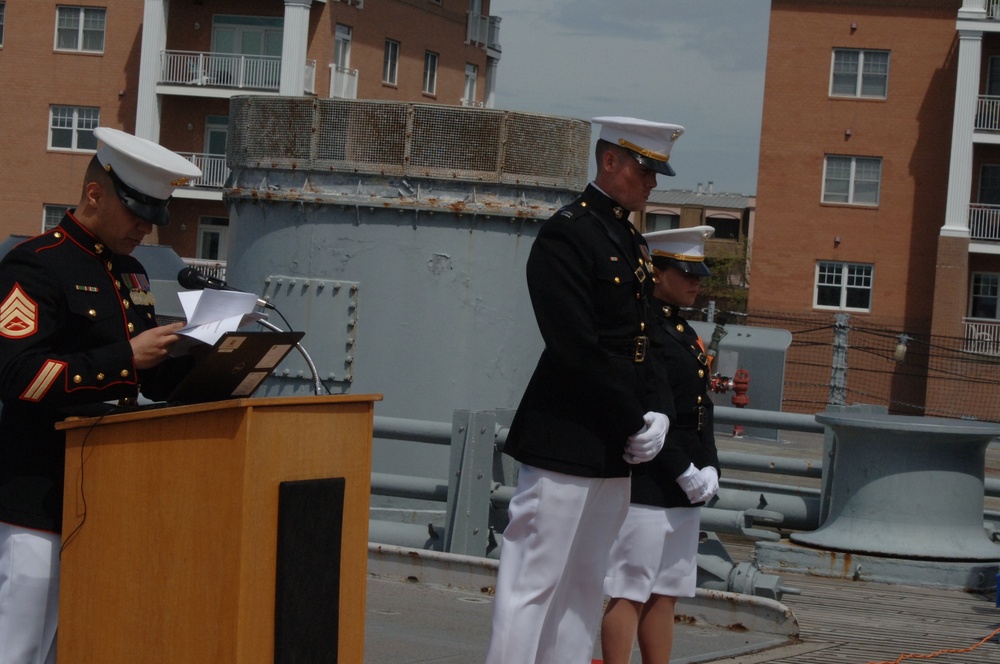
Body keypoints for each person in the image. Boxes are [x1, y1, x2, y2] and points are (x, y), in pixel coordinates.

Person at [485, 117, 685, 664]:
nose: (653, 183)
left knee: (585, 583)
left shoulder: (629, 240)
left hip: (614, 445)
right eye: (645, 169)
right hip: (568, 435)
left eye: (656, 172)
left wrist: (661, 414)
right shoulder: (567, 233)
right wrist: (633, 420)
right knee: (532, 581)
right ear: (610, 162)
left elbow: (648, 339)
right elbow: (575, 346)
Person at [0, 127, 202, 664]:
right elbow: (19, 375)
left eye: (155, 216)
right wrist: (125, 359)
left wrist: (205, 353)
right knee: (17, 648)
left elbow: (148, 381)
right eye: (137, 212)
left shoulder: (131, 273)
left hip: (108, 497)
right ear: (95, 195)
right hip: (37, 499)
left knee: (78, 644)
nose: (145, 227)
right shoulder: (36, 264)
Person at [600, 226, 722, 664]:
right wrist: (682, 469)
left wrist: (710, 468)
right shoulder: (644, 327)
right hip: (650, 479)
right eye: (686, 272)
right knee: (630, 589)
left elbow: (699, 407)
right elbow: (653, 405)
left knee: (667, 590)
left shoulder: (683, 331)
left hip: (684, 480)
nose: (696, 282)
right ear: (656, 270)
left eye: (699, 273)